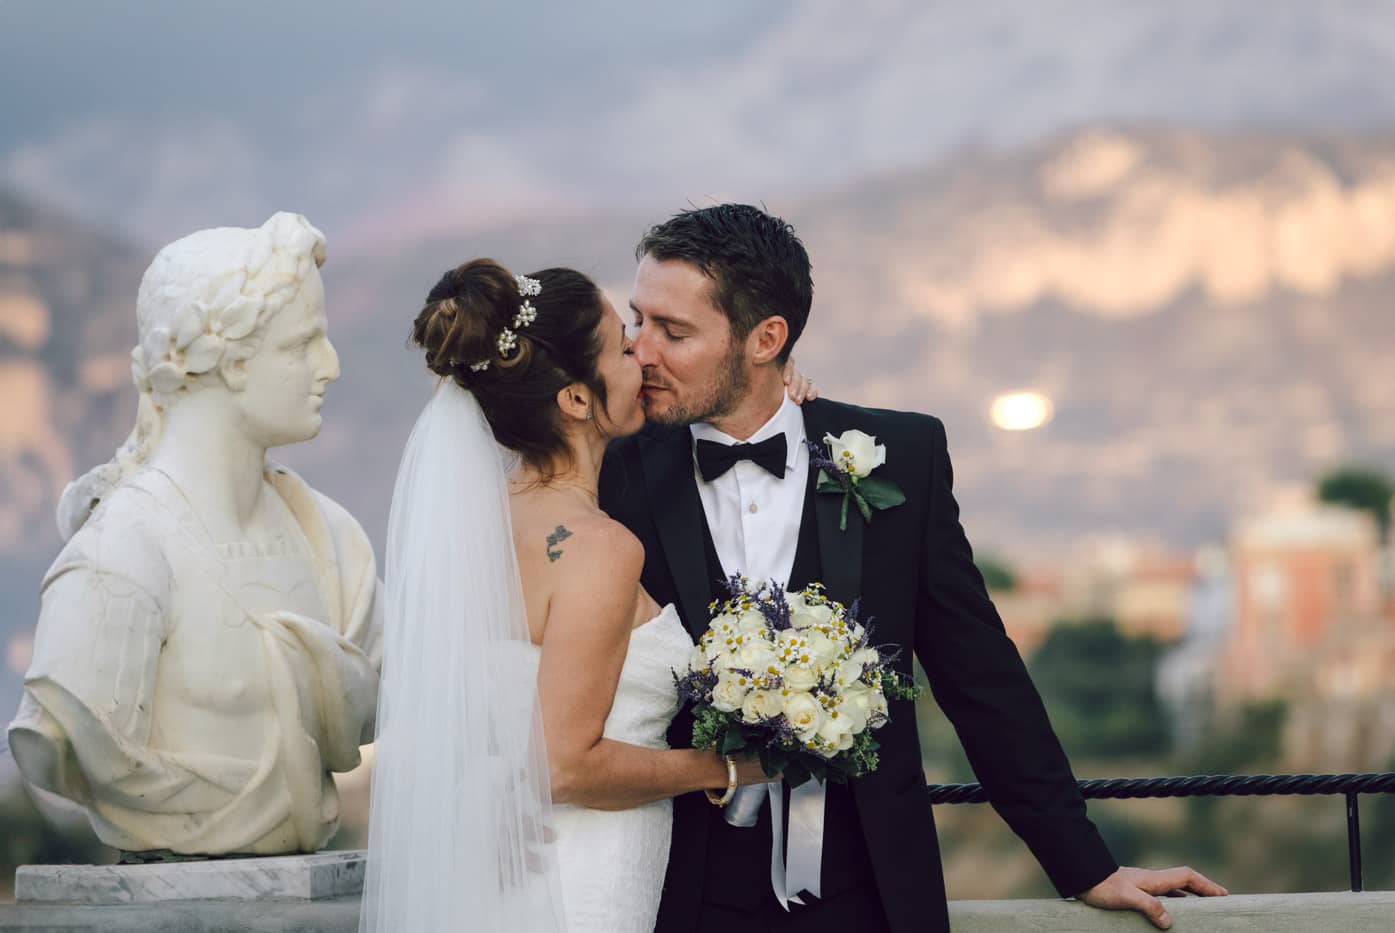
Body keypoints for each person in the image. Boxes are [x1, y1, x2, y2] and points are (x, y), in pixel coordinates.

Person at [598, 203, 1227, 933]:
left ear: (766, 338)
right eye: (637, 320)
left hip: (870, 895)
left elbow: (979, 674)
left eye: (673, 332)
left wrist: (1086, 863)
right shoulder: (610, 475)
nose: (641, 350)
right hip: (677, 894)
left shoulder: (903, 456)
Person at [358, 259, 815, 932]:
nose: (645, 356)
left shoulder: (472, 526)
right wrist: (731, 765)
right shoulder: (599, 547)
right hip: (581, 878)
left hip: (499, 869)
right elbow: (565, 764)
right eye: (625, 347)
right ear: (575, 398)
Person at [7, 213, 381, 857]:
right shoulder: (119, 555)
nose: (331, 366)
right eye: (301, 345)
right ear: (227, 360)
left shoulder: (333, 541)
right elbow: (69, 747)